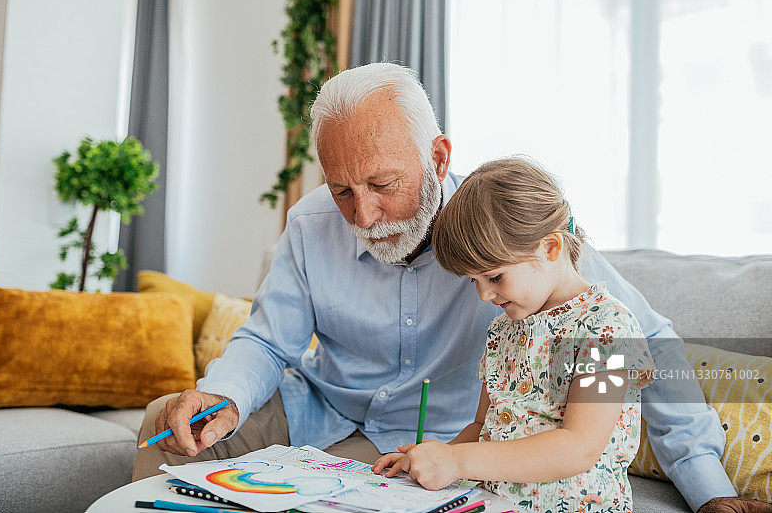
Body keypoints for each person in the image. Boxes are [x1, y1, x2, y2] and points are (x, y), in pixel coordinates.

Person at [133, 62, 766, 513]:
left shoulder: (517, 239)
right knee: (164, 426)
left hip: (446, 448)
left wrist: (709, 488)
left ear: (439, 157)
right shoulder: (312, 225)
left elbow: (637, 352)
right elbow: (268, 344)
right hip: (326, 413)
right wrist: (218, 397)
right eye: (342, 189)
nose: (364, 216)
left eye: (383, 184)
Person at [372, 157, 656, 511]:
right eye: (473, 281)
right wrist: (435, 457)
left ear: (550, 248)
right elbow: (482, 427)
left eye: (494, 277)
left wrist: (459, 462)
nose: (484, 296)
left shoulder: (607, 329)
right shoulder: (503, 331)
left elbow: (579, 446)